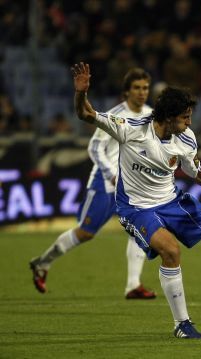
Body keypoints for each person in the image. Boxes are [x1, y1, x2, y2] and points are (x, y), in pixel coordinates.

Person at [69, 62, 201, 339]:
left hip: (172, 201)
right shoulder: (131, 129)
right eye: (185, 117)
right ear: (168, 117)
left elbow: (199, 175)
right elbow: (85, 114)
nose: (189, 122)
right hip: (136, 208)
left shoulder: (186, 138)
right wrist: (81, 93)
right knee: (171, 252)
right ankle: (182, 324)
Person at [30, 68, 157, 299]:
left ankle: (133, 285)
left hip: (133, 183)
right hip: (106, 181)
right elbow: (95, 148)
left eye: (145, 88)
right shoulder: (115, 115)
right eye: (137, 88)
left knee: (140, 228)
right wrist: (110, 174)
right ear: (126, 92)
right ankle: (43, 262)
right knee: (86, 233)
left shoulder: (151, 115)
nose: (141, 92)